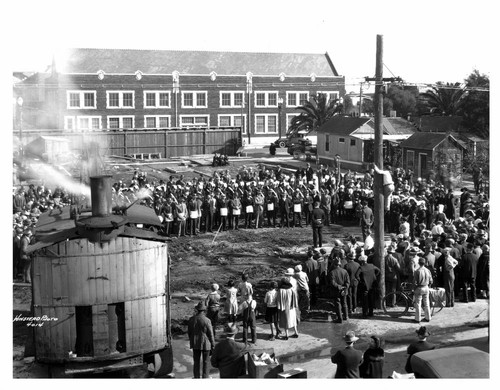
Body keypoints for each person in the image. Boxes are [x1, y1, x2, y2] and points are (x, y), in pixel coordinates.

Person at [187, 301, 215, 379]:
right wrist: (213, 345)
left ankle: (196, 377)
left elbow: (189, 332)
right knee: (206, 361)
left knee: (196, 362)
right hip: (206, 343)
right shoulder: (207, 320)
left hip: (195, 343)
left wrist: (192, 340)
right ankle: (205, 377)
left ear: (197, 310)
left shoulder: (191, 319)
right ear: (204, 310)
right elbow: (211, 334)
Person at [328, 258, 350, 323]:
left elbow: (332, 282)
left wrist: (339, 287)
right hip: (344, 290)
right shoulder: (345, 271)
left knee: (338, 304)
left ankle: (340, 318)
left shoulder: (332, 272)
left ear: (334, 265)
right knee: (344, 303)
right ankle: (346, 316)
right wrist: (344, 287)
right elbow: (348, 282)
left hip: (336, 290)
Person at [413, 257, 433, 323]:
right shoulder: (428, 270)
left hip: (419, 288)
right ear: (424, 263)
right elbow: (431, 281)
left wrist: (414, 289)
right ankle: (428, 318)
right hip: (426, 287)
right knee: (427, 303)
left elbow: (415, 282)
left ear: (418, 263)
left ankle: (417, 319)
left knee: (418, 304)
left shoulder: (417, 271)